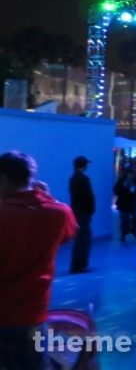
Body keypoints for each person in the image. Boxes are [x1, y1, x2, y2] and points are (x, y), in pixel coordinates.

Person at [0, 152, 78, 370]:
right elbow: (70, 232)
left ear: (3, 179)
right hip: (34, 316)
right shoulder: (60, 212)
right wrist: (49, 198)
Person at [69, 155, 95, 274]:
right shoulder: (84, 179)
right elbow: (88, 197)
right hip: (84, 213)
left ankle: (76, 264)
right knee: (84, 239)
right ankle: (80, 265)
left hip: (76, 211)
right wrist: (91, 209)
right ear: (83, 165)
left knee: (78, 238)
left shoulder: (72, 178)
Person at [113, 168, 136, 241]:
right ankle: (124, 233)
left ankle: (134, 230)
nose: (131, 175)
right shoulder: (122, 181)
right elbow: (116, 190)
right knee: (125, 219)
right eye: (130, 173)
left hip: (134, 203)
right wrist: (123, 187)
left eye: (133, 173)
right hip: (123, 204)